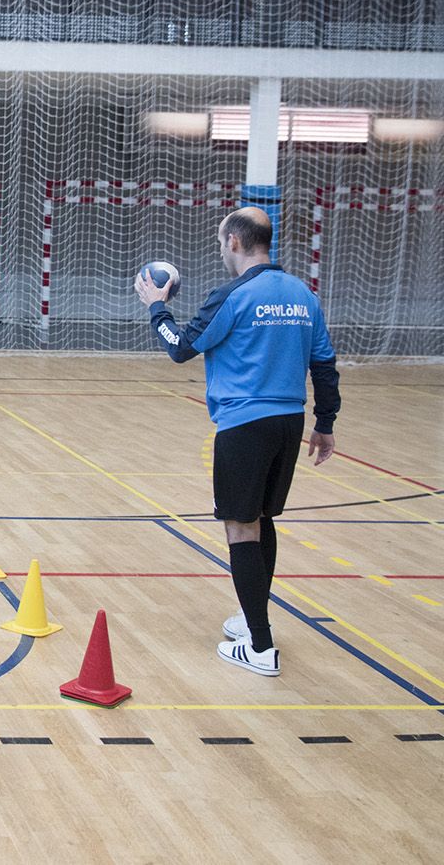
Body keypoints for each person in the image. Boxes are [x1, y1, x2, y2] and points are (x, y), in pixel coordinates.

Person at [137, 206, 340, 677]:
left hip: (244, 426)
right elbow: (325, 365)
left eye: (219, 240)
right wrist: (325, 423)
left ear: (233, 242)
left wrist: (156, 305)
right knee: (262, 520)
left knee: (240, 527)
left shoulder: (233, 294)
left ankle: (262, 648)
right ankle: (254, 623)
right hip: (289, 423)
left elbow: (180, 347)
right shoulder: (302, 295)